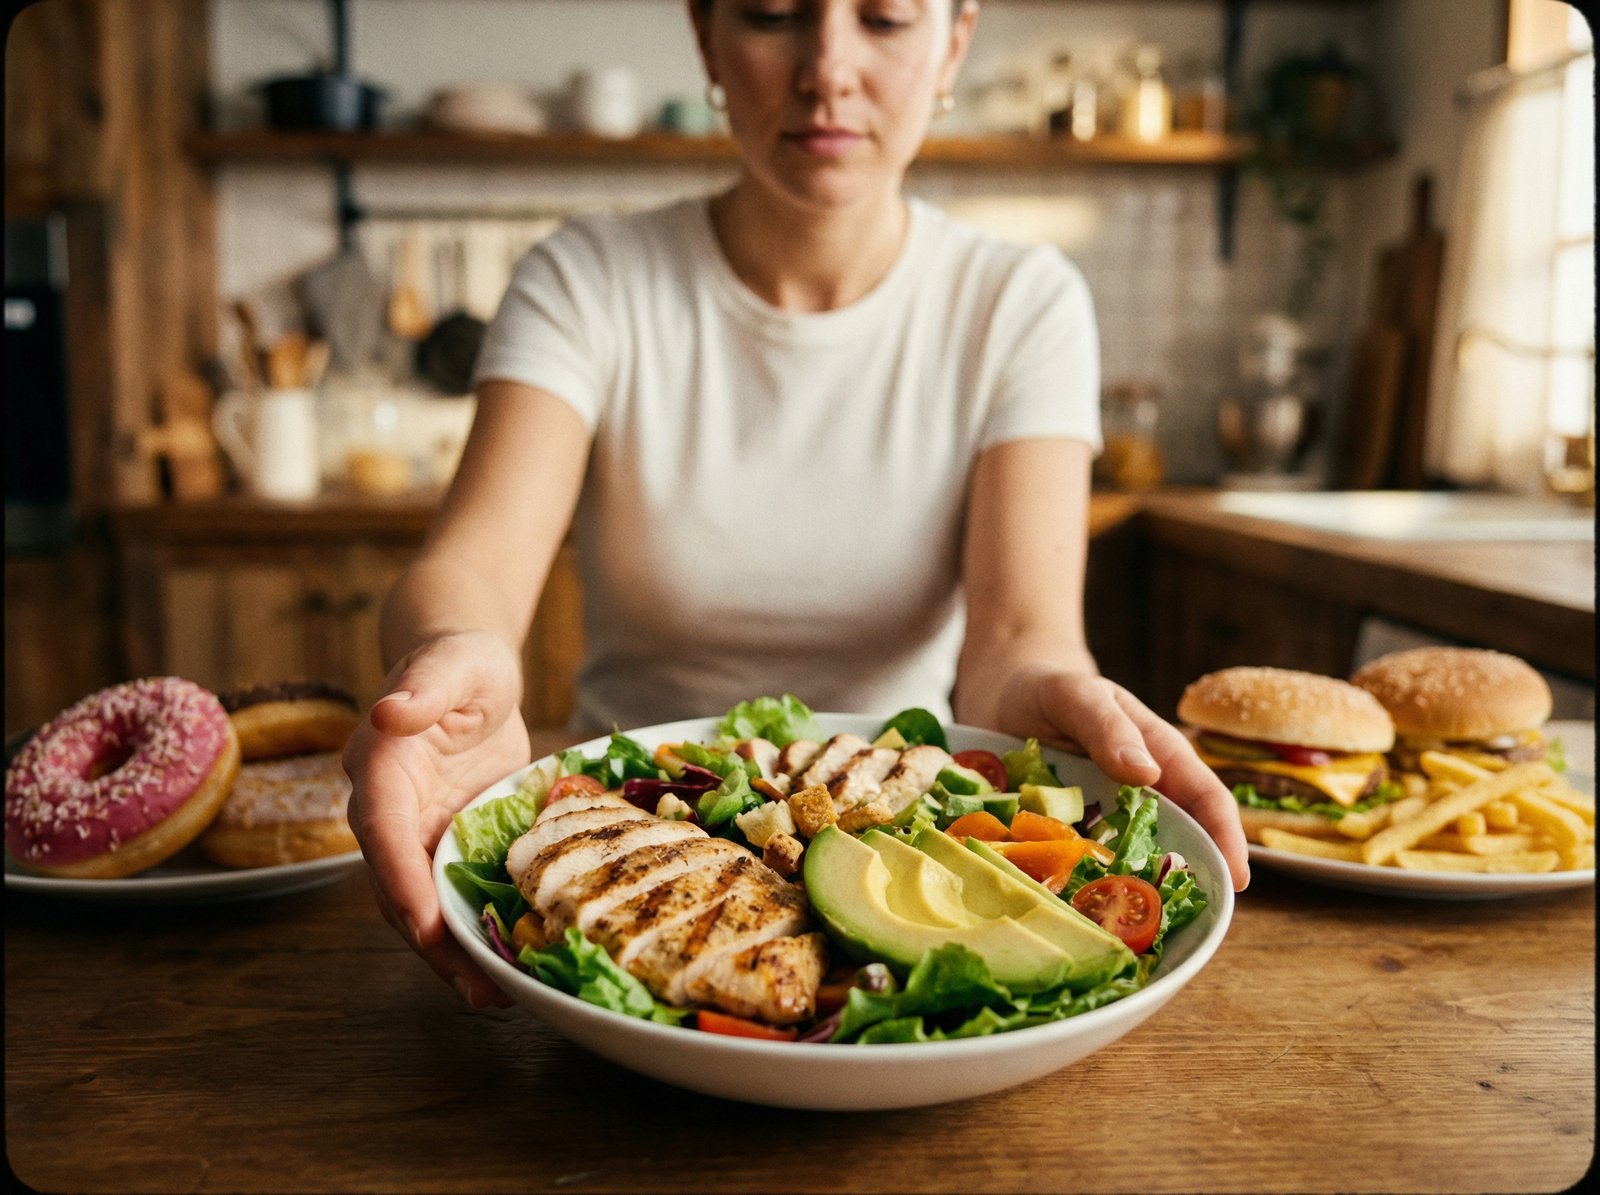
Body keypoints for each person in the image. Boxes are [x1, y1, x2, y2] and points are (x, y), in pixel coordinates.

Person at [344, 0, 1250, 1010]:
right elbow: (471, 565)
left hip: (913, 832)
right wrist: (446, 660)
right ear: (705, 40)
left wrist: (1053, 696)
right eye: (774, 13)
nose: (827, 69)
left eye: (885, 19)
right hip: (605, 847)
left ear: (952, 41)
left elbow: (1020, 637)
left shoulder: (1020, 303)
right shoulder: (588, 277)